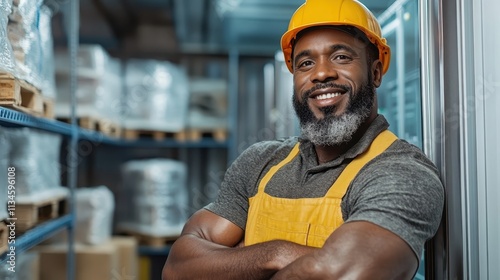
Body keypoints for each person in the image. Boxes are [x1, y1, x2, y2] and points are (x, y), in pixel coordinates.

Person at [162, 0, 444, 279]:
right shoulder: (259, 163)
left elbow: (346, 272)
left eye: (341, 57)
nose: (321, 73)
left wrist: (240, 259)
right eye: (306, 63)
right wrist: (276, 254)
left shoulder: (402, 173)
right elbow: (178, 268)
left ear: (375, 72)